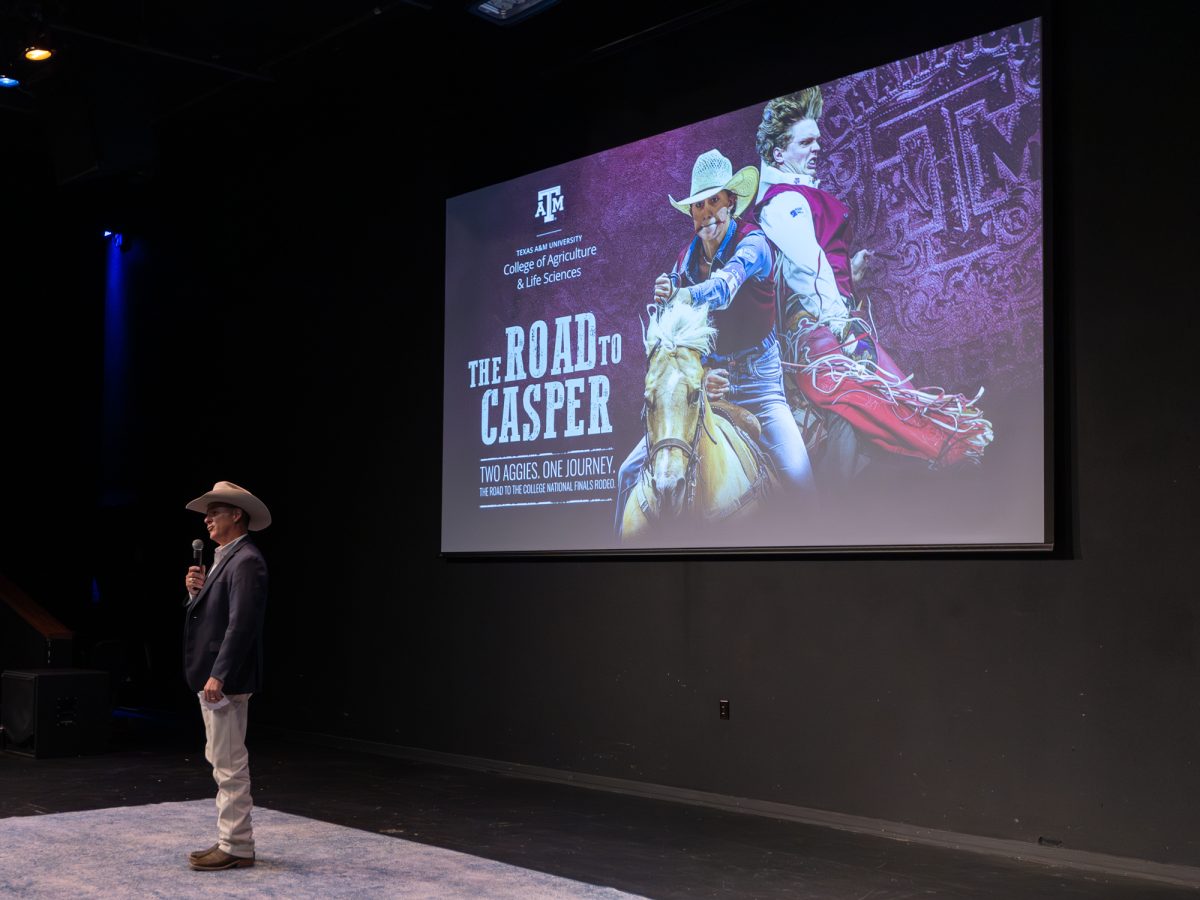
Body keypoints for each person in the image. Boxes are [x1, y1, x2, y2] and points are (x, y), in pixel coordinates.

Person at [754, 88, 992, 480]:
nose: (817, 148)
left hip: (831, 320)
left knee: (887, 398)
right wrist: (840, 320)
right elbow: (806, 268)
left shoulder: (798, 197)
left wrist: (848, 272)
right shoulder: (784, 202)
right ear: (779, 153)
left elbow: (817, 265)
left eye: (818, 140)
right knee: (856, 402)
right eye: (806, 142)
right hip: (814, 331)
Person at [615, 149, 814, 535]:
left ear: (731, 203)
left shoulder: (754, 245)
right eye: (698, 205)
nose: (706, 212)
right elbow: (677, 344)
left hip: (759, 387)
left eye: (714, 201)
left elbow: (724, 290)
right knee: (627, 474)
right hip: (706, 388)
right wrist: (700, 373)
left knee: (800, 480)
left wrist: (681, 294)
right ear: (691, 214)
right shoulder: (683, 263)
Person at [182, 481, 270, 871]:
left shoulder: (246, 559)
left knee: (229, 762)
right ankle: (230, 840)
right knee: (220, 758)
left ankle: (236, 845)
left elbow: (242, 624)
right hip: (214, 675)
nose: (207, 520)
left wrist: (219, 674)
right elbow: (214, 615)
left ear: (237, 514)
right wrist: (193, 594)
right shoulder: (224, 558)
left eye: (214, 512)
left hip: (225, 677)